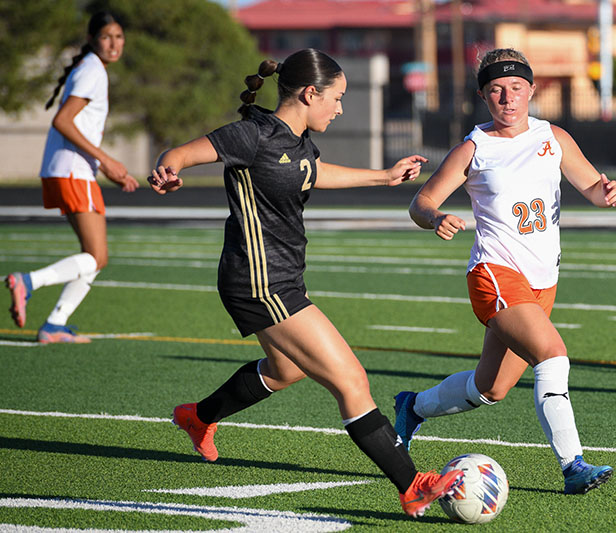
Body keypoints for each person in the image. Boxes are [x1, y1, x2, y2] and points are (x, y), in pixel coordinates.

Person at [147, 48, 463, 518]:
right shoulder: (250, 133)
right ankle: (412, 484)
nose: (339, 108)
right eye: (336, 98)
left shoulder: (298, 142)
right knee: (351, 380)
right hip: (258, 280)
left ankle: (199, 417)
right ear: (310, 93)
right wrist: (168, 170)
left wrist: (384, 177)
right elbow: (182, 153)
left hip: (283, 276)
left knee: (285, 370)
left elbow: (312, 173)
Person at [393, 48, 616, 495]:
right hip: (495, 272)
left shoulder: (553, 136)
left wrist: (609, 190)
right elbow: (420, 202)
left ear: (531, 90)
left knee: (491, 389)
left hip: (543, 281)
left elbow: (594, 188)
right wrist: (435, 218)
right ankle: (573, 464)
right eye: (497, 90)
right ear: (484, 96)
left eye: (517, 88)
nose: (508, 97)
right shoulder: (473, 148)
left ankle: (414, 408)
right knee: (553, 354)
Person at [5, 11, 138, 343]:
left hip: (67, 171)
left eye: (119, 37)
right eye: (107, 36)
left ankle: (54, 326)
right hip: (72, 172)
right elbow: (63, 121)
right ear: (93, 39)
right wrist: (106, 160)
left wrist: (103, 166)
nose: (114, 43)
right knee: (98, 256)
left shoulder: (90, 69)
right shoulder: (93, 70)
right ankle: (28, 282)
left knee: (91, 256)